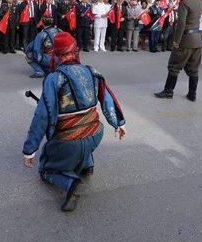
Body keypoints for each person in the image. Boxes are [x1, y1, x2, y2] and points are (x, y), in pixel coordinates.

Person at [22, 31, 126, 212]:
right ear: (75, 50)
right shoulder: (92, 70)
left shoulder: (54, 78)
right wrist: (119, 124)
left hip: (69, 141)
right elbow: (107, 99)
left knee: (46, 168)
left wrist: (30, 150)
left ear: (55, 53)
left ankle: (70, 182)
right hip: (96, 134)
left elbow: (42, 116)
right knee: (85, 136)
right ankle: (87, 164)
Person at [155, 0, 202, 101]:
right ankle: (192, 94)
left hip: (185, 39)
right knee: (193, 68)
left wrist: (176, 41)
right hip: (197, 39)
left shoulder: (184, 2)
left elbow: (181, 23)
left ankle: (168, 92)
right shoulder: (199, 1)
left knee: (174, 66)